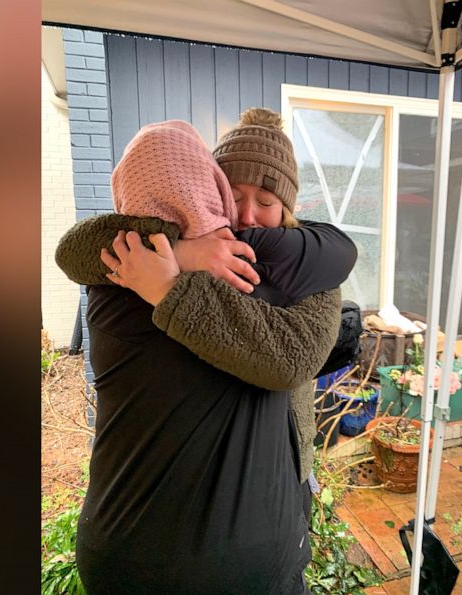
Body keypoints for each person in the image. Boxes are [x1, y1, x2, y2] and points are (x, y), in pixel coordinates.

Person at [55, 113, 355, 594]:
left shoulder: (305, 275)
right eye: (233, 196)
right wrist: (184, 253)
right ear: (207, 190)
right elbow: (73, 249)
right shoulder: (131, 264)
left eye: (267, 201)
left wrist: (172, 287)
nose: (248, 215)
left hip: (264, 518)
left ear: (288, 209)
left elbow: (292, 358)